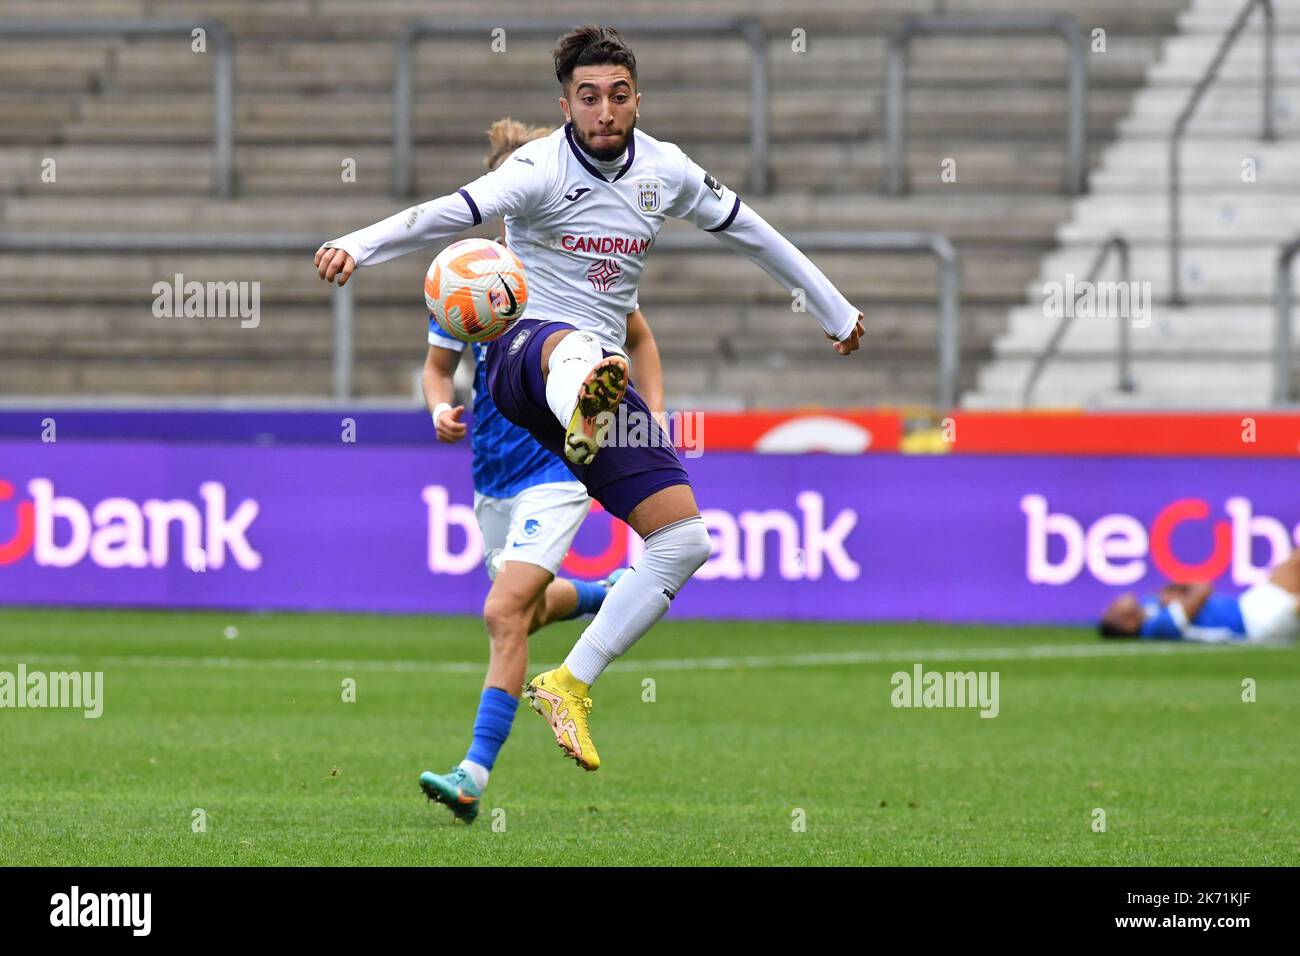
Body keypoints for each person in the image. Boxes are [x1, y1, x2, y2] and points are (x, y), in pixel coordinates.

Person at [316, 24, 864, 776]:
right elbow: (451, 211)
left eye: (618, 95)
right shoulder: (536, 169)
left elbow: (753, 234)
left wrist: (833, 309)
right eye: (588, 97)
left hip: (598, 382)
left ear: (637, 99)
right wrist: (360, 242)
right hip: (521, 356)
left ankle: (570, 681)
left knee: (683, 542)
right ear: (566, 105)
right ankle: (582, 409)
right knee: (575, 347)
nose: (605, 110)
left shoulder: (667, 171)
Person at [416, 118, 664, 823]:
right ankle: (599, 594)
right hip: (490, 467)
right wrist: (438, 409)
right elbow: (439, 371)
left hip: (557, 461)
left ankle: (472, 774)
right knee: (522, 607)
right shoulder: (468, 275)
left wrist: (648, 421)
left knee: (501, 613)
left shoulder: (571, 270)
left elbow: (640, 340)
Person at [1099, 547, 1300, 643]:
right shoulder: (1159, 627)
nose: (1113, 604)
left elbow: (1176, 592)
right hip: (1255, 625)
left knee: (1294, 559)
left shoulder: (1149, 605)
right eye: (1113, 611)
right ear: (1129, 625)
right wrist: (1183, 592)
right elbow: (1203, 588)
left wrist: (1177, 596)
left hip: (1247, 604)